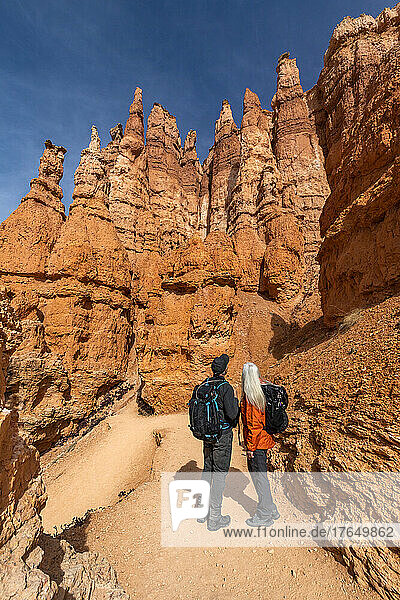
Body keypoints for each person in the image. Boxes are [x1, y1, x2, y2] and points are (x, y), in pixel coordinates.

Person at [193, 353, 239, 531]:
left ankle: (202, 512)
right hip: (222, 436)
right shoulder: (225, 387)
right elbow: (233, 414)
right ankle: (215, 518)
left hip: (207, 436)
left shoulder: (203, 385)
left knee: (208, 470)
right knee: (219, 474)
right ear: (225, 370)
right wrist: (235, 402)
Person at [240, 362, 279, 527]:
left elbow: (253, 425)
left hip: (257, 444)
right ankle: (272, 509)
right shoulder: (265, 388)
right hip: (265, 440)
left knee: (259, 478)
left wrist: (250, 448)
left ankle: (264, 515)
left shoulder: (251, 396)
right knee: (262, 477)